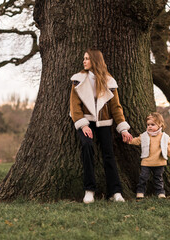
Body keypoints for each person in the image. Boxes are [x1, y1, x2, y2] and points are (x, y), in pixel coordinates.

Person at [70, 48, 133, 204]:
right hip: (86, 121)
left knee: (108, 154)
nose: (84, 61)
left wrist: (123, 128)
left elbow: (116, 107)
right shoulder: (78, 80)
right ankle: (89, 190)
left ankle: (115, 192)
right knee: (87, 147)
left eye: (86, 58)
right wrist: (83, 125)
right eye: (83, 58)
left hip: (104, 122)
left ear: (95, 61)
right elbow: (74, 106)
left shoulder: (109, 81)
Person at [128, 112, 170, 200]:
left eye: (152, 124)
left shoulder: (164, 137)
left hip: (159, 162)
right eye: (148, 125)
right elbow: (136, 141)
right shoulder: (144, 136)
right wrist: (129, 140)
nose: (149, 126)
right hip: (146, 162)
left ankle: (160, 192)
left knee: (158, 179)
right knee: (143, 178)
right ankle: (140, 192)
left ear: (160, 125)